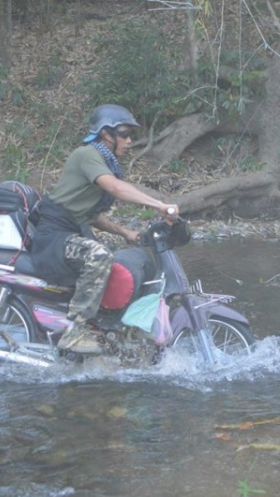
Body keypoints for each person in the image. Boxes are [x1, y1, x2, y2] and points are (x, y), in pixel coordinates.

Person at [30, 104, 179, 354]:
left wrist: (126, 234)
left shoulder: (103, 160)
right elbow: (115, 188)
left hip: (72, 230)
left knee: (118, 259)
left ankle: (111, 329)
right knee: (99, 256)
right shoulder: (87, 154)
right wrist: (159, 205)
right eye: (124, 134)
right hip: (54, 236)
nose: (129, 141)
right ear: (106, 134)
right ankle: (74, 331)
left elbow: (92, 216)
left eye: (130, 135)